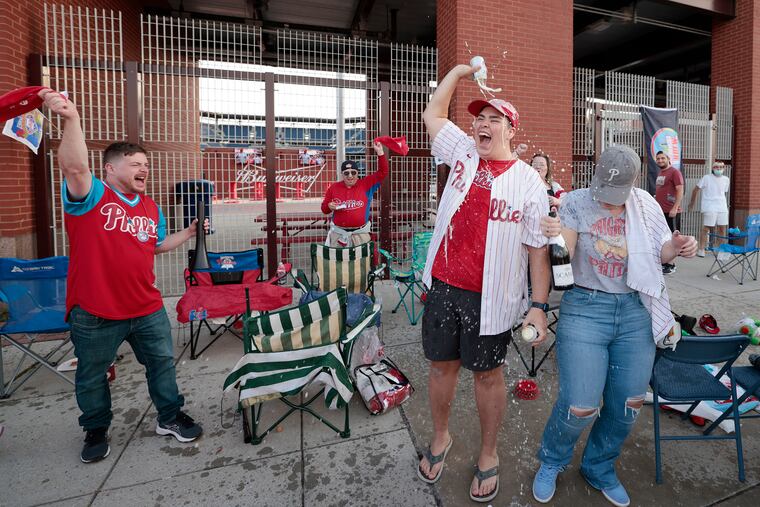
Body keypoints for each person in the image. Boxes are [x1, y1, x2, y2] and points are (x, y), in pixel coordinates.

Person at [39, 88, 204, 464]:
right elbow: (75, 168)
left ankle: (169, 416)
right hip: (95, 312)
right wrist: (72, 119)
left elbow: (156, 245)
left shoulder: (149, 206)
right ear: (110, 169)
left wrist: (188, 234)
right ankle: (95, 429)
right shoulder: (91, 195)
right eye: (134, 163)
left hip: (145, 306)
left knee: (162, 363)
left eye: (145, 163)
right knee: (92, 376)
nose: (143, 169)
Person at [532, 145, 697, 507]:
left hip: (636, 312)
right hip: (586, 310)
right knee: (580, 404)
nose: (610, 202)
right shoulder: (575, 202)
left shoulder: (646, 205)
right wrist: (555, 234)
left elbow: (661, 252)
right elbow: (567, 255)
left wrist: (679, 246)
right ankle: (552, 459)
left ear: (634, 183)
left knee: (629, 404)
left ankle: (599, 466)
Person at [416, 63, 551, 503]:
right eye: (479, 117)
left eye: (494, 118)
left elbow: (537, 249)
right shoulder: (463, 154)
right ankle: (441, 437)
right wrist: (457, 72)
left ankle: (488, 453)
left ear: (511, 129)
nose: (482, 124)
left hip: (490, 298)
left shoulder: (529, 183)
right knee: (440, 368)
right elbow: (433, 115)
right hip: (442, 286)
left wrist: (539, 305)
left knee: (488, 377)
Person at [321, 141, 387, 247]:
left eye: (353, 172)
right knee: (339, 262)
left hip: (360, 234)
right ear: (342, 174)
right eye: (346, 173)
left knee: (362, 263)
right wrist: (329, 206)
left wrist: (380, 153)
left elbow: (383, 172)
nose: (350, 176)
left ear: (357, 173)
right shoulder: (334, 187)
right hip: (339, 234)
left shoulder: (366, 184)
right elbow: (324, 209)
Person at [689, 161, 730, 257]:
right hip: (709, 206)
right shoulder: (706, 178)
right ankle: (701, 249)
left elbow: (723, 192)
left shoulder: (726, 179)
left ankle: (718, 248)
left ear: (724, 168)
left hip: (722, 206)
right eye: (716, 167)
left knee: (722, 228)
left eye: (721, 167)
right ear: (713, 168)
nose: (719, 169)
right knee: (706, 227)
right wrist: (692, 203)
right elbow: (695, 189)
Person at [654, 151, 684, 274]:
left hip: (671, 211)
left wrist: (675, 207)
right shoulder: (661, 172)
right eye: (658, 158)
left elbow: (680, 190)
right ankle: (665, 262)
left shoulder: (675, 172)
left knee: (673, 238)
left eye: (662, 158)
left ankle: (671, 265)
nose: (660, 160)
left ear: (668, 159)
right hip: (661, 211)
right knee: (663, 238)